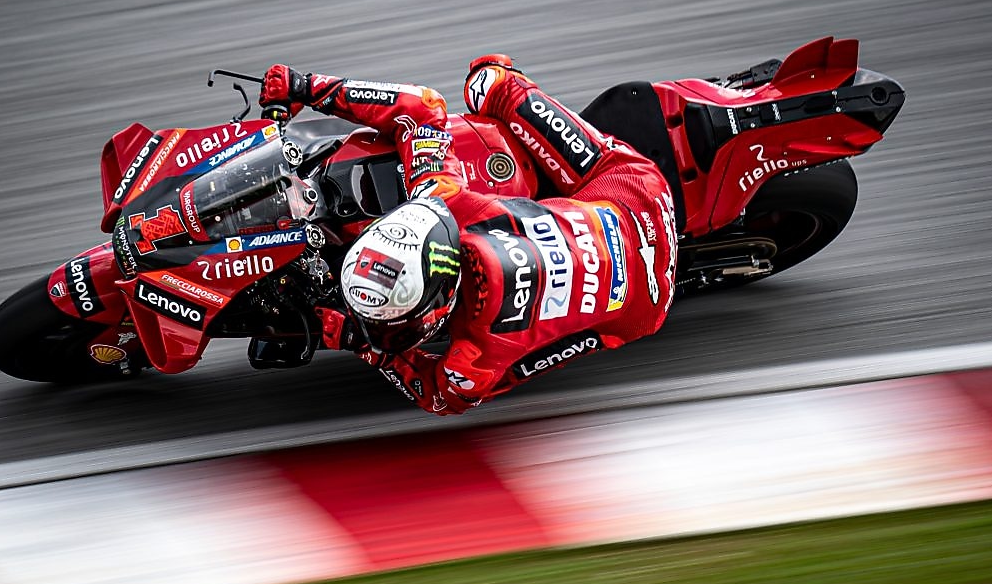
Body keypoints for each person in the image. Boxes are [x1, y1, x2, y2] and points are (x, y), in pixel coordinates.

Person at [258, 55, 678, 415]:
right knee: (488, 82)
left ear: (437, 305)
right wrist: (307, 87)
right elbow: (422, 107)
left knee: (524, 362)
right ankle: (505, 86)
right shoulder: (447, 204)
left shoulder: (477, 351)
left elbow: (439, 399)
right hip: (637, 199)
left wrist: (365, 343)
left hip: (643, 310)